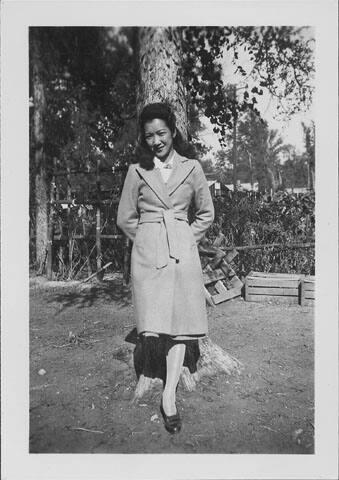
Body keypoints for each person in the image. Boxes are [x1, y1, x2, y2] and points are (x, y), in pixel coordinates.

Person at [117, 102, 214, 434]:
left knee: (180, 325)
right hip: (149, 256)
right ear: (143, 140)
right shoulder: (136, 171)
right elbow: (125, 218)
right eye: (149, 136)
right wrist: (146, 239)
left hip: (182, 256)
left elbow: (205, 214)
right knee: (154, 324)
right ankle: (154, 378)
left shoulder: (193, 168)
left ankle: (169, 396)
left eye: (161, 133)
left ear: (173, 131)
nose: (156, 140)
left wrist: (186, 238)